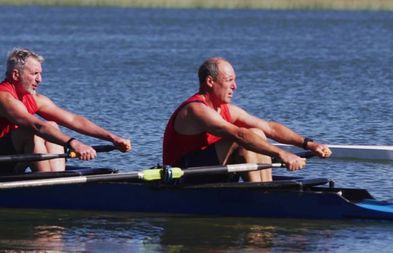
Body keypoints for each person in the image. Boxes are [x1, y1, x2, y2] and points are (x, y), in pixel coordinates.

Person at [163, 57, 331, 183]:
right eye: (229, 80)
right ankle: (262, 196)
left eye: (234, 80)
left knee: (257, 132)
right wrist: (282, 154)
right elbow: (240, 135)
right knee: (240, 139)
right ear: (210, 82)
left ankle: (265, 189)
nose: (235, 86)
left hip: (211, 172)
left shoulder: (228, 110)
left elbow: (270, 128)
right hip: (183, 177)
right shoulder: (196, 109)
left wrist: (308, 144)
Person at [0, 48, 131, 174]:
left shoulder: (36, 99)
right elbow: (37, 126)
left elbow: (74, 120)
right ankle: (47, 186)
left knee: (52, 126)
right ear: (16, 75)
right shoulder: (4, 97)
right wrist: (73, 143)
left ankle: (57, 179)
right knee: (33, 132)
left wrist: (113, 138)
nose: (40, 79)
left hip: (11, 159)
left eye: (40, 74)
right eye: (34, 74)